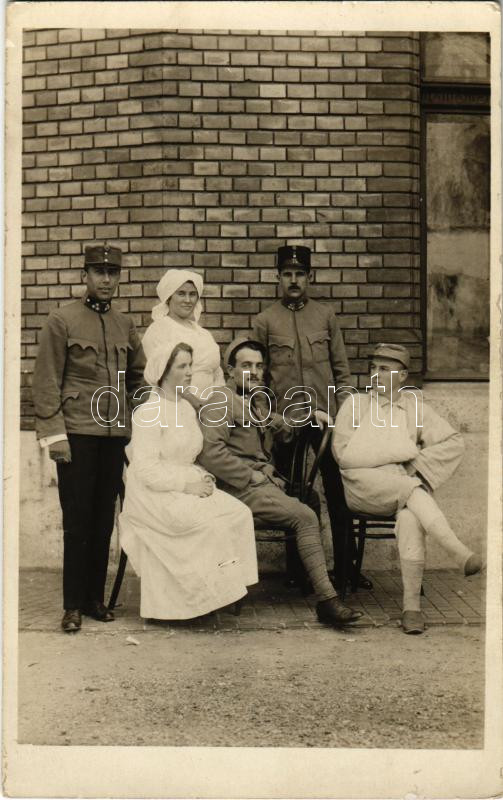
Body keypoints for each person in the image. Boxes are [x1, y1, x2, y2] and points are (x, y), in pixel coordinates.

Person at [197, 336, 362, 629]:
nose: (254, 371)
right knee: (305, 515)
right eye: (246, 365)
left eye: (259, 366)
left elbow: (283, 425)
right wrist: (251, 475)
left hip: (259, 485)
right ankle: (327, 599)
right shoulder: (220, 400)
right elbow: (211, 453)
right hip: (237, 489)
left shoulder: (254, 403)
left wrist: (311, 415)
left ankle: (304, 578)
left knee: (309, 498)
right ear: (230, 369)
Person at [32, 244, 146, 633]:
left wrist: (149, 418)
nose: (106, 279)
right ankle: (71, 606)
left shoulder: (125, 325)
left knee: (102, 520)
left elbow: (137, 379)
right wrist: (54, 435)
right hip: (77, 433)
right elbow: (46, 380)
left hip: (114, 435)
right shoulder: (61, 320)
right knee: (77, 521)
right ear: (84, 276)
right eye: (98, 272)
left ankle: (95, 599)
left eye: (112, 273)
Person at [332, 342, 483, 635]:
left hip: (400, 486)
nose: (375, 375)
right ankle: (457, 552)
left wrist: (414, 464)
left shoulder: (414, 408)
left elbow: (454, 442)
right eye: (373, 368)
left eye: (384, 369)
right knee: (415, 493)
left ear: (402, 376)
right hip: (362, 488)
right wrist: (399, 452)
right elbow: (346, 456)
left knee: (411, 516)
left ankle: (411, 608)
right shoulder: (356, 404)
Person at [251, 244, 368, 591]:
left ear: (310, 277)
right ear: (277, 277)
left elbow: (342, 373)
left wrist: (342, 417)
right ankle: (298, 572)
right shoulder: (265, 321)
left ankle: (346, 569)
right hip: (286, 422)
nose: (294, 280)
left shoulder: (326, 316)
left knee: (337, 491)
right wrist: (269, 417)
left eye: (300, 274)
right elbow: (257, 380)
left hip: (325, 421)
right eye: (287, 274)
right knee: (291, 494)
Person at [118, 342, 258, 621]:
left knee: (239, 514)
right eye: (182, 366)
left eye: (190, 365)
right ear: (163, 371)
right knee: (211, 524)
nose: (189, 372)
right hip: (153, 495)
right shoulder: (149, 412)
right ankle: (191, 601)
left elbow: (189, 455)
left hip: (184, 481)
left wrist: (200, 477)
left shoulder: (186, 408)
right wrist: (187, 487)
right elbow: (145, 470)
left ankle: (224, 592)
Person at [141, 268, 225, 399]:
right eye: (181, 293)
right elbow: (162, 379)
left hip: (210, 409)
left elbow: (217, 374)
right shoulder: (158, 331)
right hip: (176, 406)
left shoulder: (204, 334)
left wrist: (219, 405)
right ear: (169, 298)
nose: (188, 300)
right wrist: (198, 406)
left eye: (192, 294)